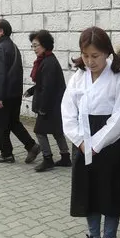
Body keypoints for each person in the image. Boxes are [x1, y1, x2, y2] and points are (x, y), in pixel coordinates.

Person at [62, 27, 120, 238]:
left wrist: (97, 142)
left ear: (107, 53)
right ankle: (93, 235)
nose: (90, 61)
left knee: (109, 190)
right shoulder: (78, 77)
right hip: (83, 140)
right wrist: (81, 141)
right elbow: (68, 111)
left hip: (110, 142)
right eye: (86, 55)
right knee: (88, 189)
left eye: (95, 56)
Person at [0, 19, 40, 164]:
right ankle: (32, 146)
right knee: (13, 122)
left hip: (4, 95)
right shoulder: (13, 47)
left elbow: (0, 75)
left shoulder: (0, 49)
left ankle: (6, 154)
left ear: (1, 31)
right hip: (15, 93)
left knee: (0, 125)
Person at [25, 30, 71, 172]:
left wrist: (43, 108)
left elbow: (48, 88)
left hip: (50, 105)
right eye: (32, 46)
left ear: (44, 45)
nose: (34, 49)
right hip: (54, 104)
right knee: (57, 131)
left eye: (36, 45)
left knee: (39, 131)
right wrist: (31, 91)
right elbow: (43, 83)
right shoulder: (46, 60)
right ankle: (65, 157)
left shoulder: (49, 62)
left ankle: (48, 159)